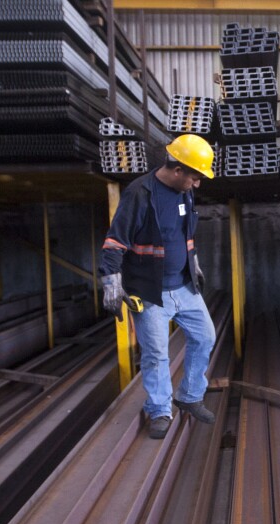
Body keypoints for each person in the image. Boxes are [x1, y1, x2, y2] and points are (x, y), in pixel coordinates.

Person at [99, 134, 217, 439]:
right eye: (194, 176)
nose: (197, 183)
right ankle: (160, 409)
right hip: (150, 292)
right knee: (155, 354)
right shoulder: (140, 193)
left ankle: (189, 396)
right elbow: (115, 240)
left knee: (205, 337)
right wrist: (111, 279)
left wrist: (194, 261)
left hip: (183, 286)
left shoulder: (185, 192)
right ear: (177, 170)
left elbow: (183, 233)